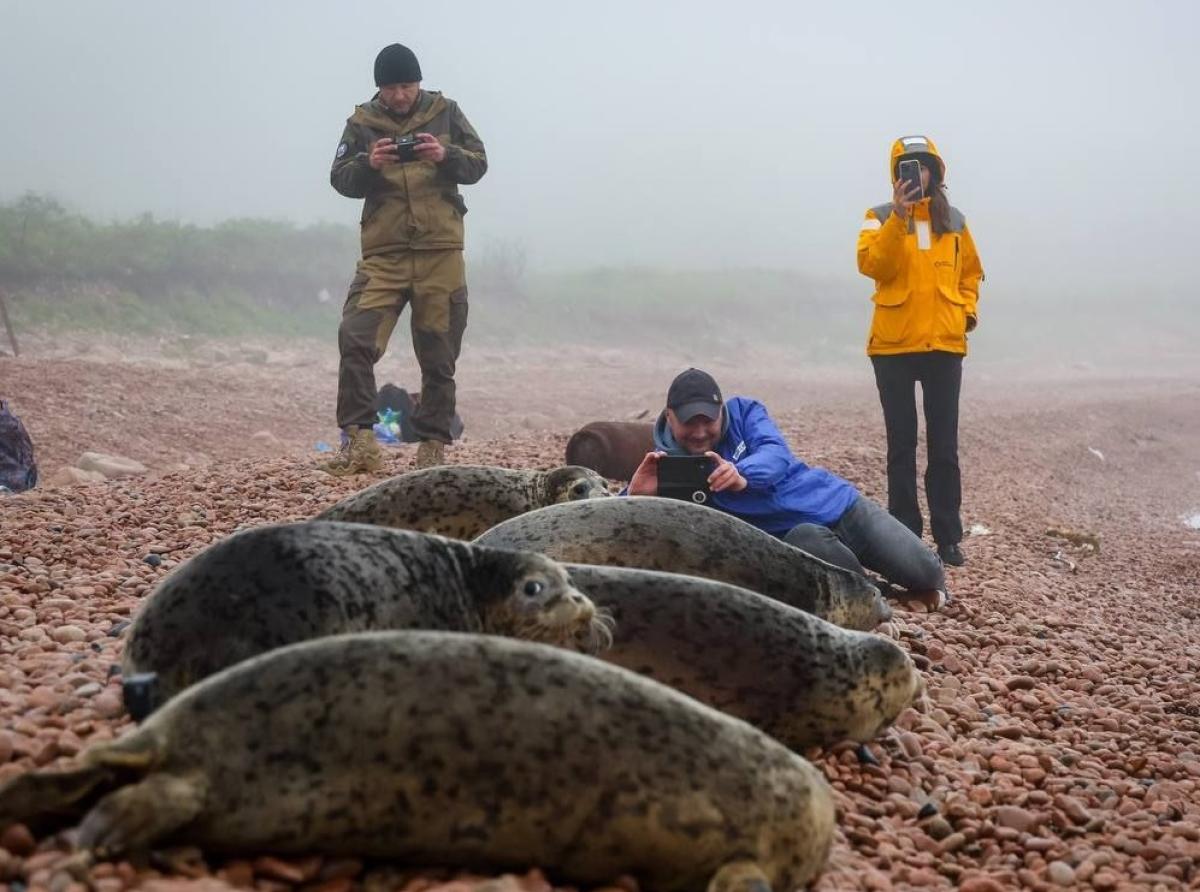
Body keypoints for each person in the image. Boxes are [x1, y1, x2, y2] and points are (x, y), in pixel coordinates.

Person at [627, 368, 946, 598]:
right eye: (688, 423)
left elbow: (775, 454)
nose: (699, 433)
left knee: (927, 575)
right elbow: (619, 529)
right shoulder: (664, 468)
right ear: (669, 417)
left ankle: (886, 584)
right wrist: (633, 498)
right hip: (797, 540)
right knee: (817, 552)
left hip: (838, 506)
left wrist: (741, 476)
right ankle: (876, 593)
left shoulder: (745, 413)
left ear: (721, 410)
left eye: (707, 421)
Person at [323, 43, 487, 476]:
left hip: (440, 252)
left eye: (407, 85)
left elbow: (479, 164)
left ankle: (432, 445)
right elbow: (340, 179)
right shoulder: (361, 122)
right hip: (384, 255)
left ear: (419, 82)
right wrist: (368, 163)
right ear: (380, 87)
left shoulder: (447, 112)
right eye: (392, 87)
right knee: (355, 338)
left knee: (439, 353)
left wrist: (444, 155)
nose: (400, 95)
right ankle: (359, 443)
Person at [856, 135, 984, 566]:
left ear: (936, 171)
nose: (917, 174)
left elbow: (971, 275)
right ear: (897, 175)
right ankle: (905, 534)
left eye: (923, 166)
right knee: (901, 444)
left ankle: (949, 538)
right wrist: (900, 215)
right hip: (892, 346)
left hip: (944, 345)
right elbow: (874, 265)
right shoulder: (877, 217)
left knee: (944, 446)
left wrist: (965, 314)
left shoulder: (957, 223)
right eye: (907, 167)